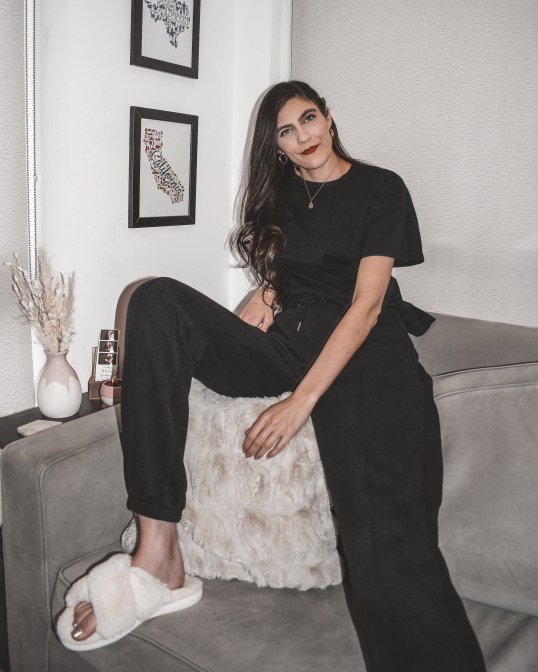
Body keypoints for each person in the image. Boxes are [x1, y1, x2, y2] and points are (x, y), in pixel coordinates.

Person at [63, 81, 486, 671]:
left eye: (309, 119)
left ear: (329, 118)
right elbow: (298, 271)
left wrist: (300, 402)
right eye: (286, 130)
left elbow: (366, 304)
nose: (303, 136)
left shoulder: (380, 188)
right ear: (278, 147)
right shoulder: (282, 198)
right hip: (289, 344)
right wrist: (267, 291)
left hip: (365, 352)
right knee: (155, 301)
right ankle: (158, 550)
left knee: (384, 536)